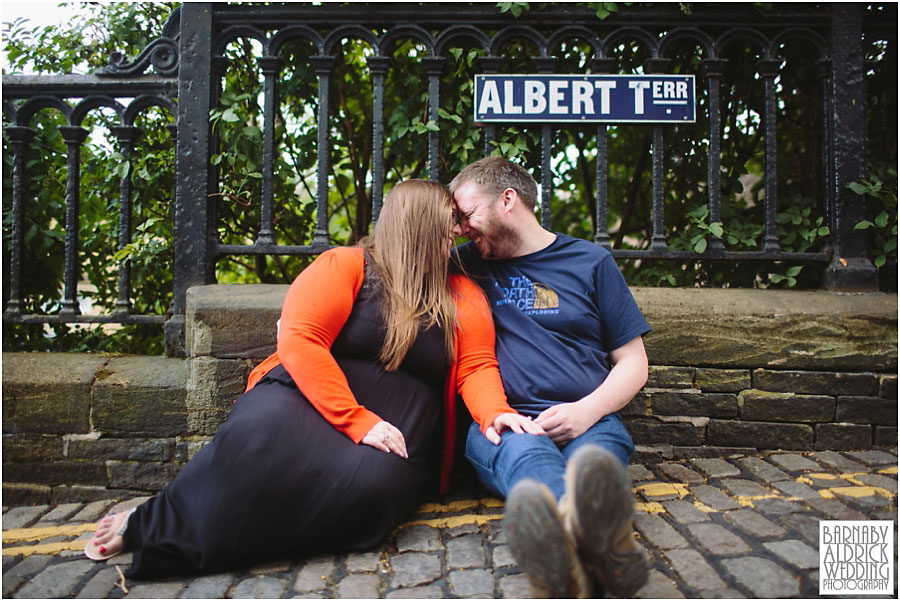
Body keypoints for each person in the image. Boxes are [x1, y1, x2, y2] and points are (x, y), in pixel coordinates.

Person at [85, 179, 540, 577]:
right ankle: (150, 522)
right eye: (446, 228)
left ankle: (226, 536)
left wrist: (495, 413)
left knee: (371, 492)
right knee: (254, 439)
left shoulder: (461, 295)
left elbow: (477, 367)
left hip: (399, 426)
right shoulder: (347, 265)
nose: (457, 236)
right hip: (311, 398)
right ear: (417, 229)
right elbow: (300, 339)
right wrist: (358, 421)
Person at [449, 156, 651, 598]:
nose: (462, 227)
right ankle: (596, 550)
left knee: (592, 468)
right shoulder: (461, 266)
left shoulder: (591, 261)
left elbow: (634, 363)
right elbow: (391, 269)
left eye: (467, 214)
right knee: (529, 459)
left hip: (591, 417)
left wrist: (585, 412)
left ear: (508, 200)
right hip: (505, 421)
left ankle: (571, 557)